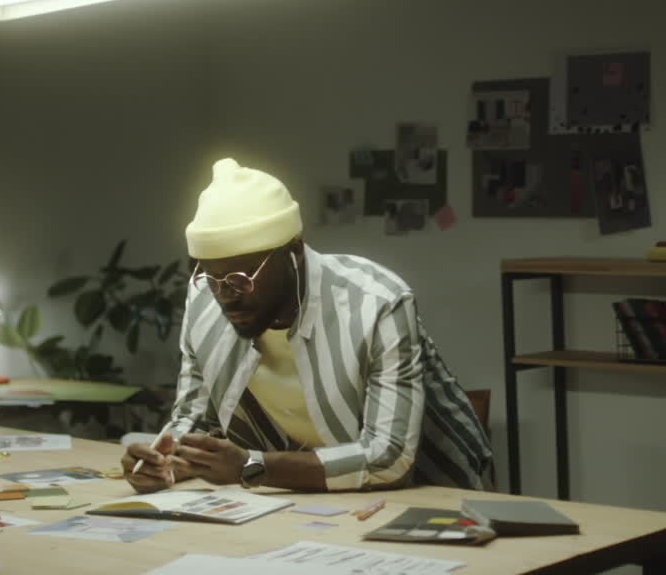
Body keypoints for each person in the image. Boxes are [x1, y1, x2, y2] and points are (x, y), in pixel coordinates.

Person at [121, 158, 493, 493]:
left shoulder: (376, 303)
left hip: (430, 486)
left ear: (293, 253)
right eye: (212, 277)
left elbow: (388, 457)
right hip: (300, 488)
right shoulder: (205, 298)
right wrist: (161, 460)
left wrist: (253, 467)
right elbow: (195, 422)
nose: (226, 296)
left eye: (240, 278)